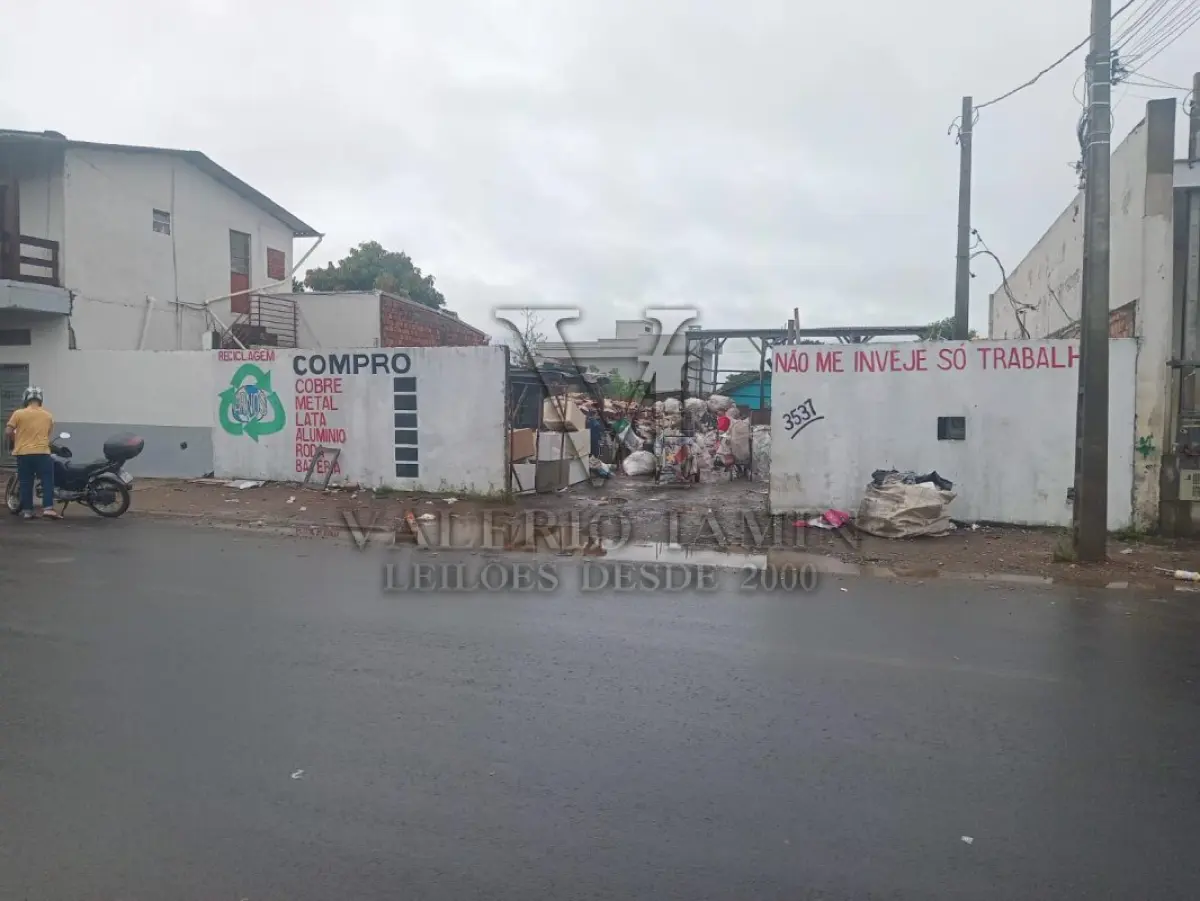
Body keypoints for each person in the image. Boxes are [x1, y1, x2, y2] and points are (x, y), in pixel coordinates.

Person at [5, 386, 60, 520]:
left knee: (25, 482)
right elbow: (47, 434)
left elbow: (8, 431)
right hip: (42, 453)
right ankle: (48, 508)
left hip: (24, 454)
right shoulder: (48, 415)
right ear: (40, 399)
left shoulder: (18, 413)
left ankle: (27, 511)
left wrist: (16, 439)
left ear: (26, 398)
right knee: (47, 480)